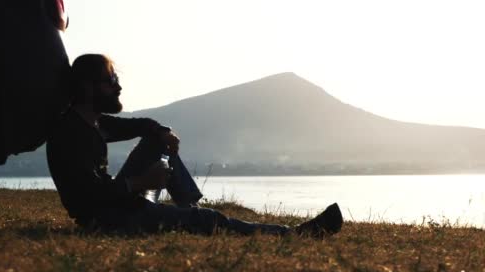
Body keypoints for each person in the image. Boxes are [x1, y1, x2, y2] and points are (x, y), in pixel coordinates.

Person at [47, 54, 343, 236]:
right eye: (110, 80)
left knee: (155, 140)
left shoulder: (98, 123)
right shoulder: (68, 133)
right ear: (87, 87)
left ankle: (189, 211)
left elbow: (142, 126)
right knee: (209, 219)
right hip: (106, 219)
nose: (118, 86)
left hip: (120, 203)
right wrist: (138, 182)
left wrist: (162, 132)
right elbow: (86, 197)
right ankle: (292, 234)